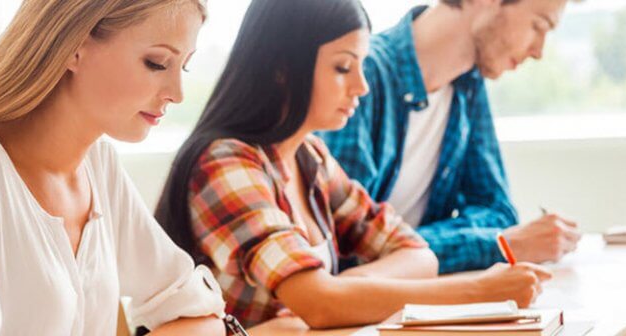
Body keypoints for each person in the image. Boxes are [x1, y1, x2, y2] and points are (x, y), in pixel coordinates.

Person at [155, 0, 551, 329]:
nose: (361, 86)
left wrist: (339, 288)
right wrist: (478, 291)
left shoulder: (311, 159)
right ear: (281, 69)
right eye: (343, 67)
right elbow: (321, 304)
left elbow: (419, 255)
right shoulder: (224, 163)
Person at [0, 0, 229, 335]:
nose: (177, 93)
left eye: (183, 66)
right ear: (74, 47)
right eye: (157, 63)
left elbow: (198, 311)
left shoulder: (99, 165)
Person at [318, 0, 582, 274]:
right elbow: (347, 245)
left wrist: (410, 249)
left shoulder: (467, 86)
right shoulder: (360, 81)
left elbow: (497, 211)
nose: (539, 51)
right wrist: (496, 245)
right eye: (538, 25)